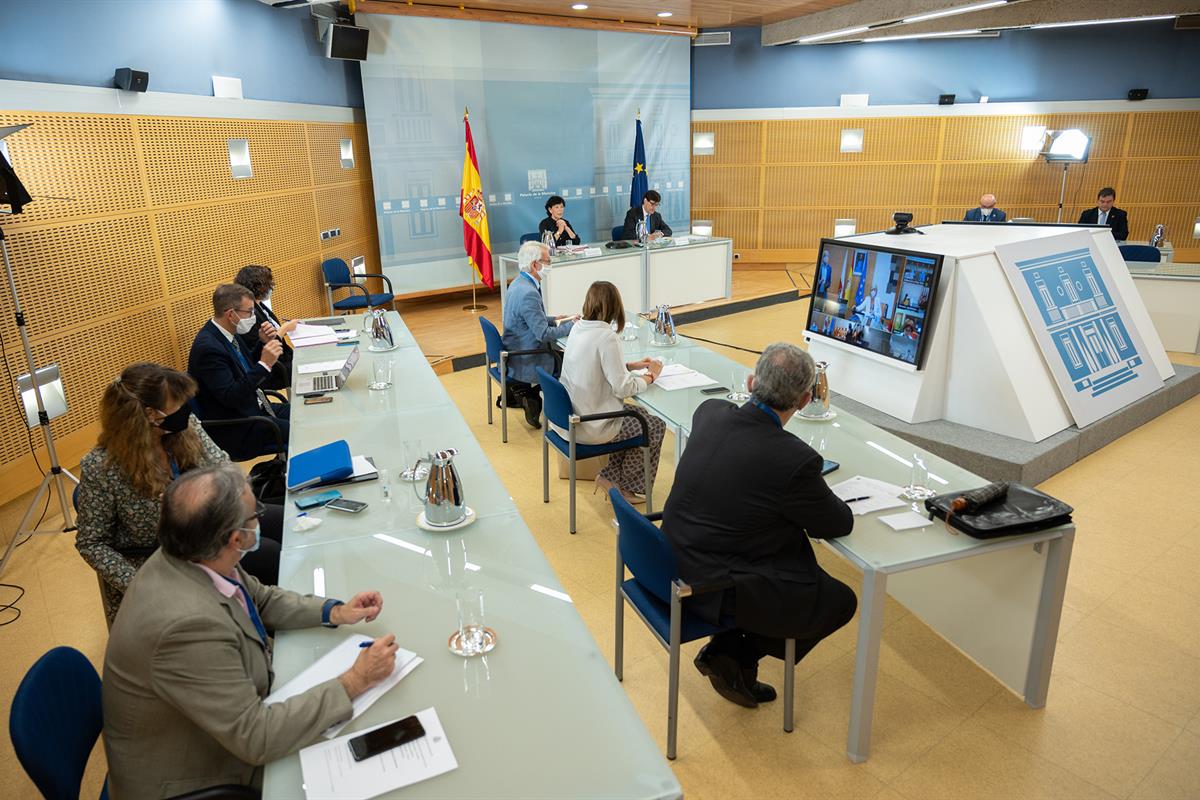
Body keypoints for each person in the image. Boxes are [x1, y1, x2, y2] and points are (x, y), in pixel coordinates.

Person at [102, 464, 399, 798]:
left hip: (217, 724)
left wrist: (335, 611)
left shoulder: (193, 552)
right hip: (194, 779)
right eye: (255, 513)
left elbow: (259, 598)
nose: (261, 517)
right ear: (235, 538)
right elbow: (256, 737)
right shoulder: (185, 627)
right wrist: (355, 680)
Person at [663, 343, 856, 708]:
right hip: (711, 582)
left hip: (667, 556)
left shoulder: (710, 412)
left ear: (751, 382)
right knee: (840, 600)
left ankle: (730, 650)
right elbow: (837, 522)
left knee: (776, 535)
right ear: (802, 401)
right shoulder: (795, 459)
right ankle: (736, 652)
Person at [75, 363, 284, 626]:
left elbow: (224, 465)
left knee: (286, 521)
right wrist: (138, 585)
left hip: (213, 525)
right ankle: (268, 632)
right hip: (166, 557)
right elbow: (91, 543)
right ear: (151, 415)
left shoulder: (184, 427)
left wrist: (209, 495)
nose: (187, 409)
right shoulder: (102, 467)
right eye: (178, 404)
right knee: (270, 555)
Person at [558, 281, 665, 503]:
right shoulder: (607, 337)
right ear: (614, 306)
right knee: (654, 425)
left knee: (641, 416)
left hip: (570, 417)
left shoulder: (578, 328)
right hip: (592, 423)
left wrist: (628, 366)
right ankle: (625, 487)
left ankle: (609, 478)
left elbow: (591, 366)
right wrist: (650, 376)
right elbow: (623, 388)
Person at [188, 283, 290, 460]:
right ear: (230, 314)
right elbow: (232, 396)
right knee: (303, 432)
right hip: (239, 426)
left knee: (304, 415)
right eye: (249, 312)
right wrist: (264, 364)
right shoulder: (208, 349)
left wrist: (262, 343)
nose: (253, 316)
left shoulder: (227, 333)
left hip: (256, 408)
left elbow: (244, 366)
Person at [501, 241, 576, 428]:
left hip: (516, 347)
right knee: (572, 361)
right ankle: (563, 412)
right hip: (527, 356)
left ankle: (528, 393)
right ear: (535, 265)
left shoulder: (519, 283)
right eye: (548, 261)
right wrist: (573, 326)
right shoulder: (529, 293)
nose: (550, 265)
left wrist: (554, 318)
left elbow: (527, 318)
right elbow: (543, 334)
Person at [235, 264, 296, 390]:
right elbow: (265, 347)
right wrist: (283, 330)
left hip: (283, 358)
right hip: (274, 368)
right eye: (270, 283)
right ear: (259, 287)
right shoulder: (249, 315)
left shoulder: (260, 306)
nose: (273, 286)